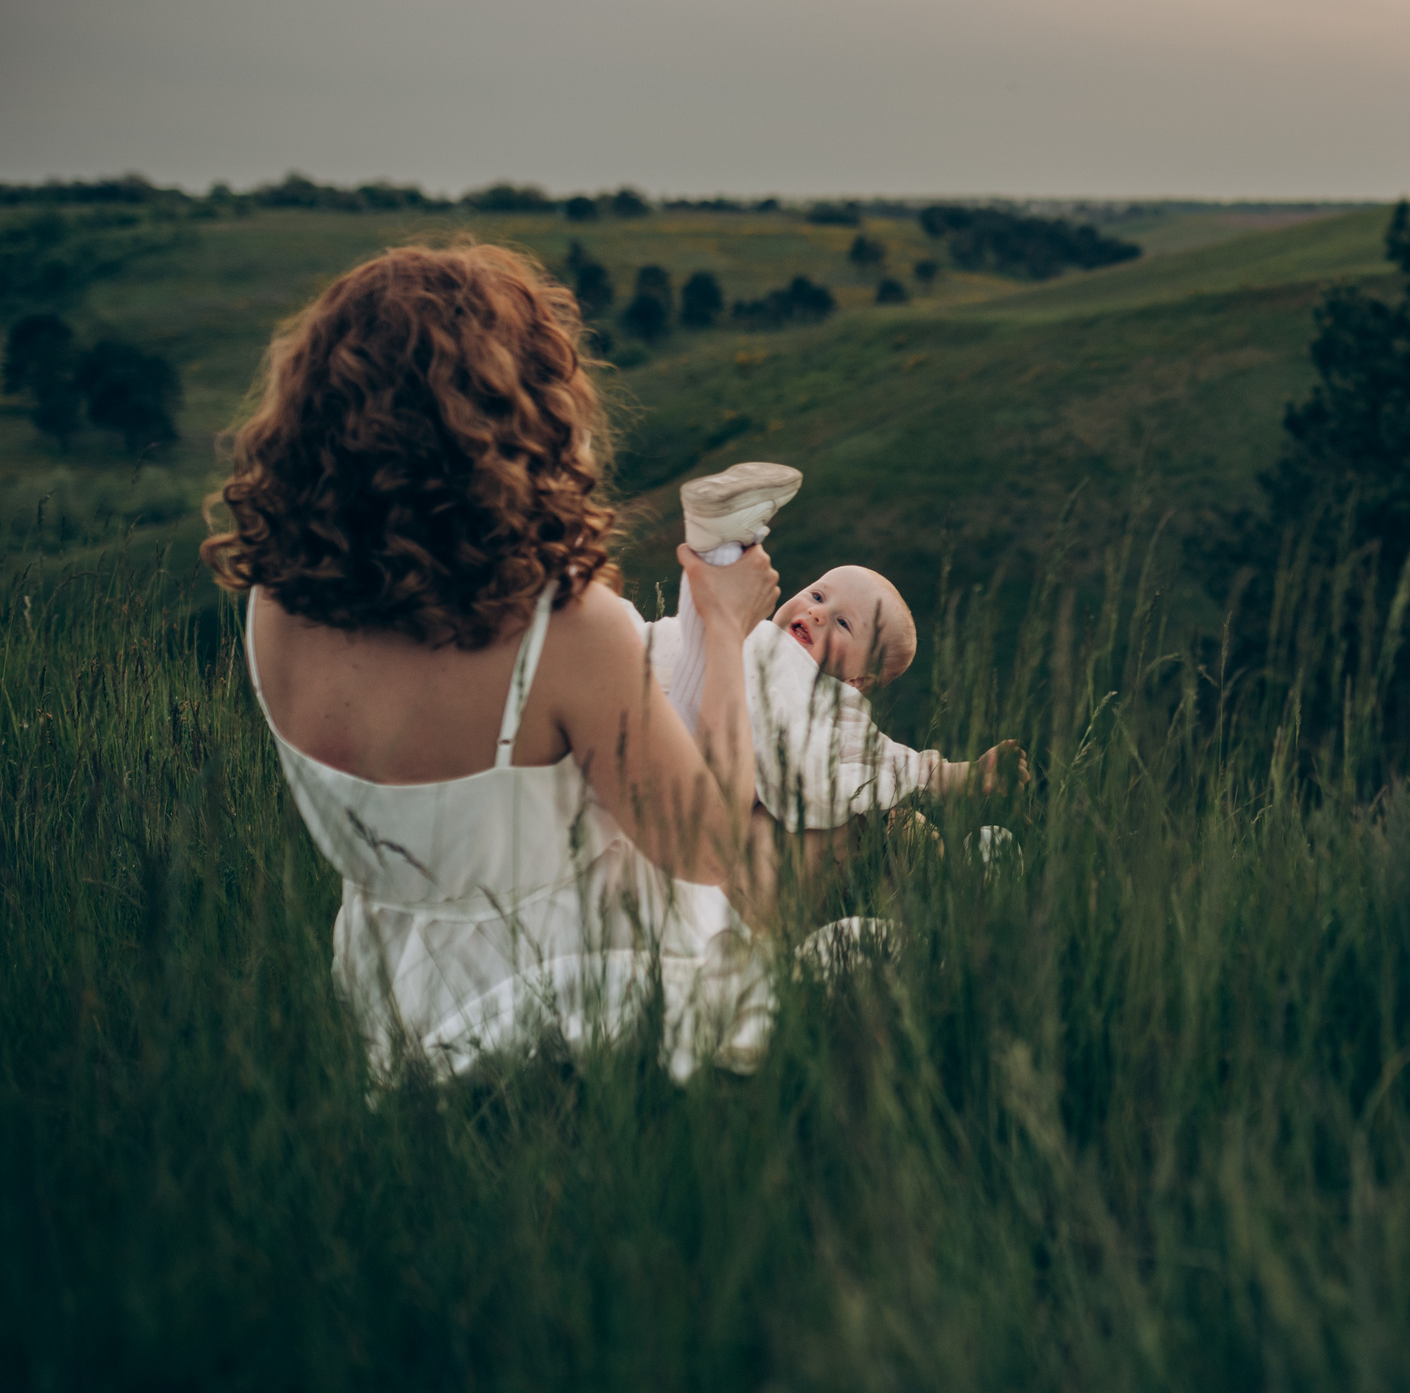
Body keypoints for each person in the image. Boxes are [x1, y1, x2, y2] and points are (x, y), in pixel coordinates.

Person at [201, 241, 872, 1081]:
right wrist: (727, 626)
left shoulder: (277, 601)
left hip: (398, 993)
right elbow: (712, 848)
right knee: (871, 953)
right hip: (586, 1000)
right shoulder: (561, 631)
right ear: (512, 417)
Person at [634, 461, 1026, 832]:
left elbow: (882, 758)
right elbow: (674, 639)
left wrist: (956, 776)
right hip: (656, 709)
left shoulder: (833, 703)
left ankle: (722, 543)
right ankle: (722, 542)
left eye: (843, 624)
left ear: (856, 679)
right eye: (818, 596)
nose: (817, 614)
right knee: (687, 627)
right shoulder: (754, 631)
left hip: (703, 769)